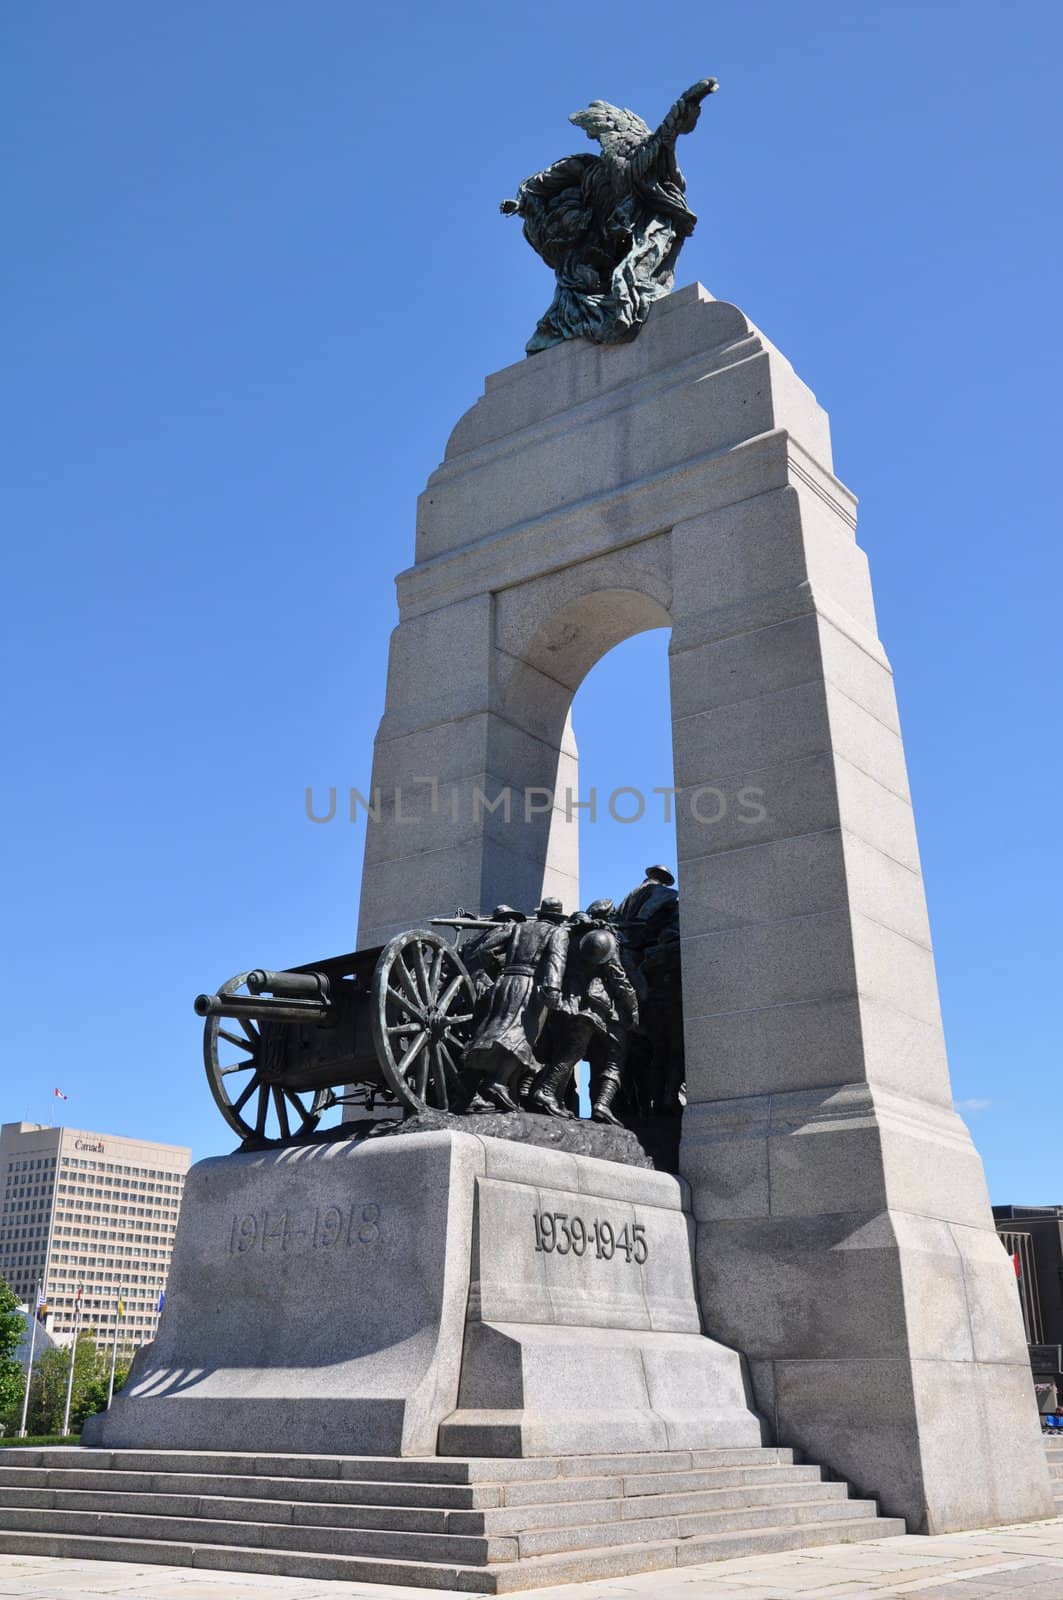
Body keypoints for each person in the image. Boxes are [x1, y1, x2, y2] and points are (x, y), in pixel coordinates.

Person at [463, 900, 569, 1113]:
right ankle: (498, 1082)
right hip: (531, 985)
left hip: (504, 982)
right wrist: (553, 990)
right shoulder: (558, 933)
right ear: (558, 918)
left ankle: (486, 1092)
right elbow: (556, 962)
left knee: (495, 1031)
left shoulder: (517, 928)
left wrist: (497, 972)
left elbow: (486, 949)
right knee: (522, 1036)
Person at [529, 925, 638, 1122]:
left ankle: (550, 1093)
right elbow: (619, 979)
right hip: (597, 1009)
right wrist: (634, 1009)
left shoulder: (573, 942)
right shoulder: (604, 940)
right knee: (614, 1056)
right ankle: (600, 1103)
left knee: (570, 1052)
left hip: (571, 1004)